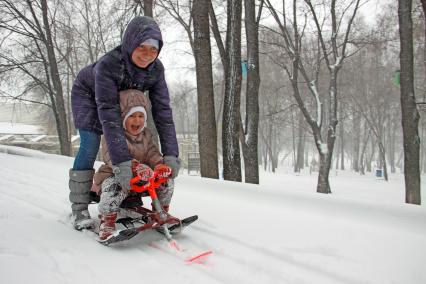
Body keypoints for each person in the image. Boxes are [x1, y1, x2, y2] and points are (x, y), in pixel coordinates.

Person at [69, 16, 180, 230]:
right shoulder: (109, 65)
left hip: (125, 103)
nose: (147, 55)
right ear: (130, 43)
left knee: (135, 139)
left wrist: (171, 155)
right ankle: (80, 207)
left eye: (153, 49)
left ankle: (129, 198)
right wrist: (122, 162)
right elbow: (109, 114)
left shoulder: (156, 70)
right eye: (142, 47)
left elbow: (163, 112)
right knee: (91, 143)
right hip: (90, 96)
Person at [92, 89, 173, 241]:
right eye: (132, 116)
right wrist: (133, 166)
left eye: (141, 116)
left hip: (142, 177)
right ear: (123, 117)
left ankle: (161, 211)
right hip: (115, 173)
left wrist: (159, 165)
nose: (137, 121)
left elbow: (152, 153)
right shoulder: (113, 134)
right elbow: (111, 156)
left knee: (167, 181)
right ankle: (107, 222)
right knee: (113, 185)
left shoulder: (147, 134)